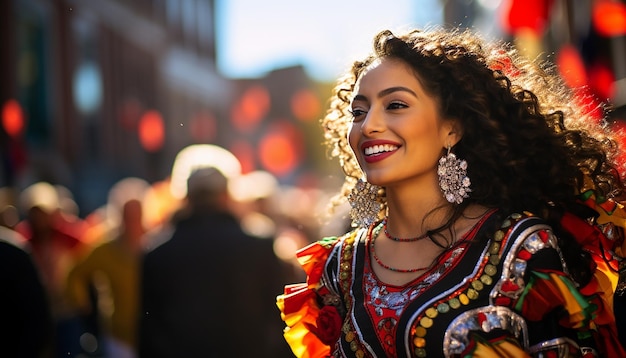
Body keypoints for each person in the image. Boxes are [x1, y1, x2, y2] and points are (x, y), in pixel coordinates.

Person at [276, 27, 626, 357]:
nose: (369, 126)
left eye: (395, 105)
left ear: (452, 129)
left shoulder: (519, 248)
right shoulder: (338, 267)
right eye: (358, 111)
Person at [139, 166, 291, 357]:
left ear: (186, 198)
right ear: (226, 196)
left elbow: (149, 329)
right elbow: (280, 318)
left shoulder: (158, 254)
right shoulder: (258, 247)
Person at [66, 177, 150, 358]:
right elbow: (75, 273)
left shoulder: (154, 246)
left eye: (137, 216)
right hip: (117, 335)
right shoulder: (104, 249)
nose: (133, 222)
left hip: (149, 333)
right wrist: (83, 304)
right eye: (128, 216)